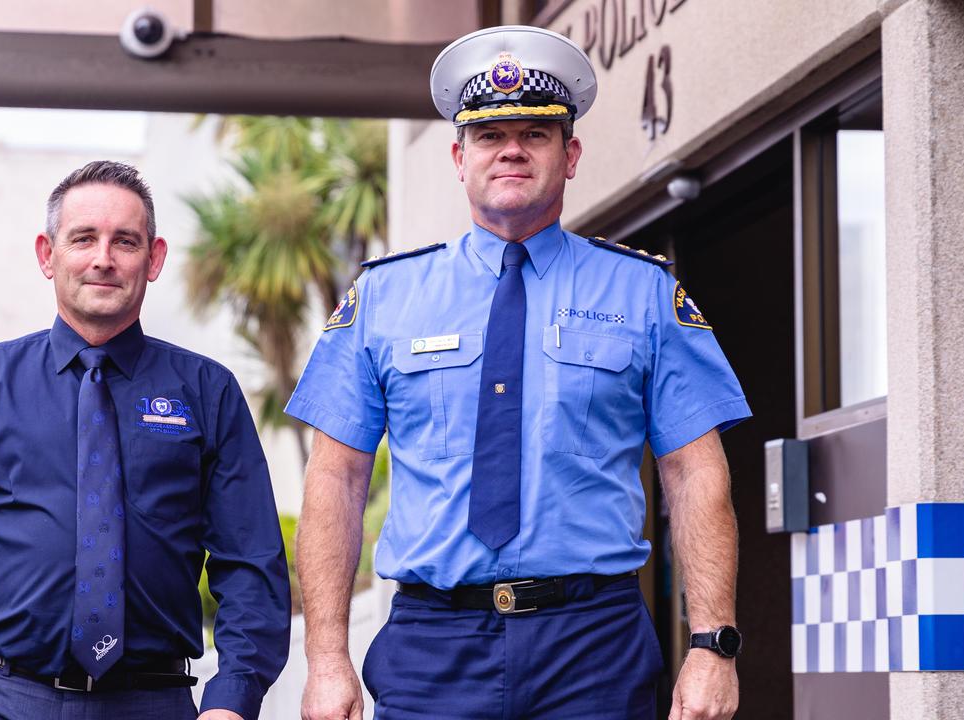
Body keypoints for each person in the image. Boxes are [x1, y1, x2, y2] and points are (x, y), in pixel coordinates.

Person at [288, 25, 750, 720]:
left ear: (571, 155)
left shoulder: (644, 294)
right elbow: (336, 477)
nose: (510, 148)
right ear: (458, 155)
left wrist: (713, 645)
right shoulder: (385, 298)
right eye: (489, 134)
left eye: (534, 133)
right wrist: (327, 660)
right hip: (433, 646)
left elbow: (694, 472)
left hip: (592, 645)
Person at [0, 161, 290, 720]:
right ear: (48, 255)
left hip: (153, 703)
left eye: (125, 241)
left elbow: (251, 563)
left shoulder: (207, 391)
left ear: (155, 257)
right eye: (83, 238)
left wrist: (233, 698)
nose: (103, 259)